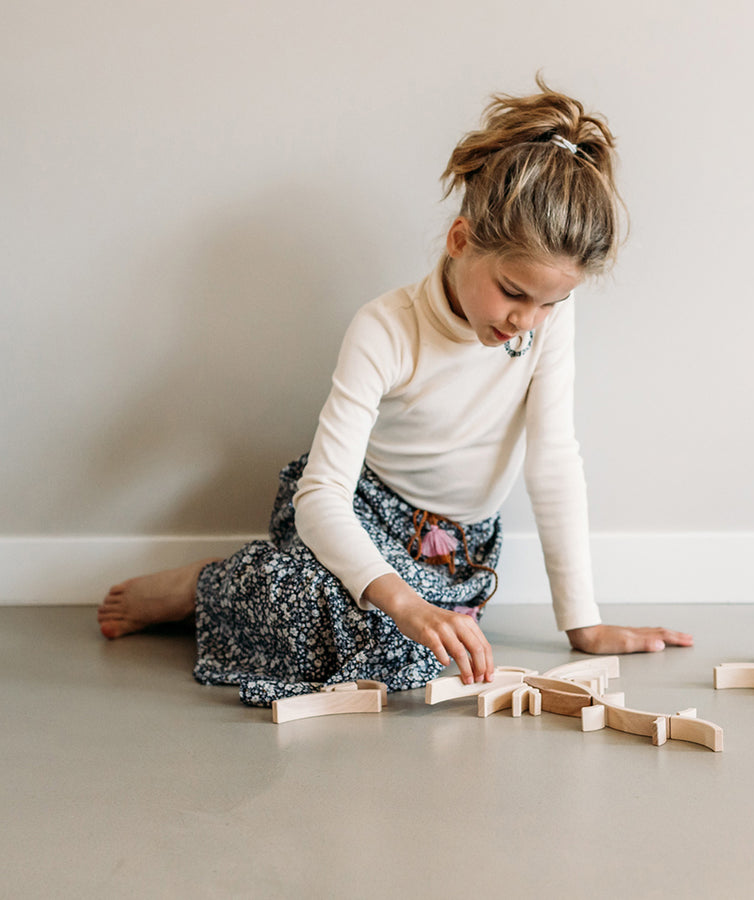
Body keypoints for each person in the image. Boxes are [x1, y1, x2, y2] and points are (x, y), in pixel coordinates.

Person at [98, 78, 692, 706]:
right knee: (377, 623)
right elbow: (323, 494)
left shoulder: (544, 320)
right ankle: (205, 587)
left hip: (453, 551)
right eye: (514, 293)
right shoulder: (386, 328)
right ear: (460, 241)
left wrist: (584, 623)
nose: (527, 321)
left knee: (417, 653)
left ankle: (300, 593)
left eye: (553, 302)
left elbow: (553, 461)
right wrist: (404, 602)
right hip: (361, 515)